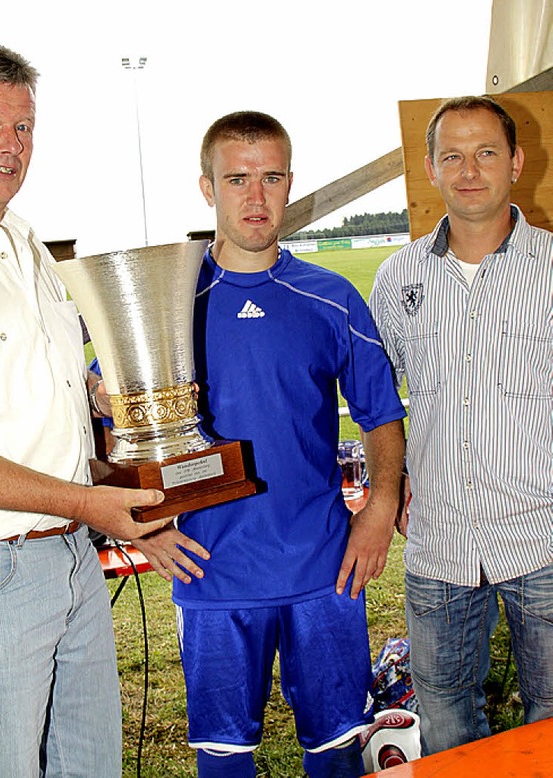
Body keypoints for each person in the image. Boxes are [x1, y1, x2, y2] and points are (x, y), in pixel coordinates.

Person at [0, 41, 173, 777]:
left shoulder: (24, 239)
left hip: (69, 558)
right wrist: (90, 503)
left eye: (24, 127)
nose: (11, 146)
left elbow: (35, 419)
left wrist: (119, 481)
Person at [133, 111, 406, 778]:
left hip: (321, 567)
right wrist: (142, 526)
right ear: (207, 187)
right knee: (225, 761)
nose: (256, 198)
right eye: (237, 179)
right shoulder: (169, 304)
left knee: (336, 750)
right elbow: (126, 422)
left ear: (290, 184)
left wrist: (378, 506)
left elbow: (380, 415)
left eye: (271, 178)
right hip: (211, 569)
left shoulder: (331, 297)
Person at [369, 95, 553, 755]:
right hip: (439, 540)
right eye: (453, 155)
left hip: (543, 538)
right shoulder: (397, 278)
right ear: (431, 167)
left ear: (516, 161)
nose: (469, 170)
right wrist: (390, 482)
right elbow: (375, 397)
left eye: (485, 153)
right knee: (446, 728)